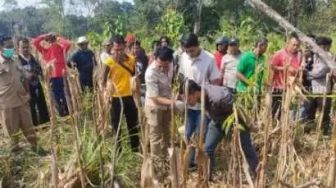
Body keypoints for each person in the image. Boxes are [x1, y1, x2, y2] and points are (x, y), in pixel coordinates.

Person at [184, 80, 259, 180]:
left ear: (194, 93)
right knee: (207, 149)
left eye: (188, 98)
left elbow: (238, 109)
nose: (186, 102)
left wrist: (249, 125)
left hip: (235, 121)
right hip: (217, 122)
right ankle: (207, 178)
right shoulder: (201, 94)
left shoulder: (219, 98)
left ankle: (258, 175)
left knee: (246, 148)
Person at [178, 33, 220, 169]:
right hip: (189, 105)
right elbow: (182, 76)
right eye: (187, 50)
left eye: (192, 50)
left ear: (198, 46)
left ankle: (199, 163)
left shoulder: (209, 59)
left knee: (201, 134)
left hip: (203, 106)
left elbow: (215, 82)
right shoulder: (183, 57)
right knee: (188, 133)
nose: (189, 53)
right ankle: (189, 163)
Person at [0, 36, 47, 155]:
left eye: (12, 46)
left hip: (21, 99)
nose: (11, 49)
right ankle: (15, 153)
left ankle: (36, 147)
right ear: (1, 47)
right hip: (7, 103)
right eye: (8, 46)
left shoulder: (16, 59)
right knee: (11, 130)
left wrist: (28, 92)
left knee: (28, 125)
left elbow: (24, 76)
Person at [144, 47, 181, 183]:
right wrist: (174, 103)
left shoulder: (171, 65)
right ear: (155, 58)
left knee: (166, 135)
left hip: (166, 105)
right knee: (156, 139)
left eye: (165, 65)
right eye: (160, 64)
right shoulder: (150, 73)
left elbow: (171, 83)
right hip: (154, 107)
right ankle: (157, 172)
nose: (163, 67)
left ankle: (167, 165)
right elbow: (154, 98)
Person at [102, 35, 140, 152]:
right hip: (115, 98)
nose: (118, 52)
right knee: (116, 126)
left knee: (133, 125)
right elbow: (102, 80)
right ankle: (118, 152)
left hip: (130, 97)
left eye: (121, 49)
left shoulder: (132, 60)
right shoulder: (108, 62)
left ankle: (135, 149)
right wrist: (106, 93)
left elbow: (134, 77)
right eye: (116, 50)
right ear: (112, 49)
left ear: (125, 47)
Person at [32, 32, 71, 117]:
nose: (51, 41)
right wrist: (45, 36)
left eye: (52, 39)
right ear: (47, 40)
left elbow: (68, 44)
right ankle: (61, 113)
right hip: (52, 78)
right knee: (56, 97)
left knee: (66, 95)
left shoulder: (61, 49)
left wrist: (57, 37)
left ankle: (68, 112)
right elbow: (35, 42)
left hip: (62, 77)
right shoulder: (45, 51)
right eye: (50, 39)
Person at [300, 36, 333, 135]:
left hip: (323, 90)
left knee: (324, 113)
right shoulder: (314, 56)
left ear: (324, 47)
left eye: (318, 46)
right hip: (312, 89)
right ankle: (307, 132)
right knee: (309, 112)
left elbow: (320, 72)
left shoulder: (328, 57)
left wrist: (307, 73)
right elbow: (305, 67)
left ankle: (324, 134)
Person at [18, 38, 50, 126]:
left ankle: (45, 123)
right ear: (18, 48)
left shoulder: (32, 57)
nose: (25, 49)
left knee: (41, 103)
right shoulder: (17, 60)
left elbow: (39, 69)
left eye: (27, 47)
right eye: (23, 47)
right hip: (25, 88)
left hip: (36, 84)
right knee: (30, 107)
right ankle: (34, 125)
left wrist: (37, 73)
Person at [270, 33, 301, 119]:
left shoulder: (298, 55)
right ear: (288, 44)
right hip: (278, 86)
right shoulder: (279, 53)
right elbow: (272, 67)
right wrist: (285, 68)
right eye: (293, 45)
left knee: (285, 108)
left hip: (291, 86)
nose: (295, 47)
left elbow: (298, 68)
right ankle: (272, 124)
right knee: (275, 107)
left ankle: (281, 126)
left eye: (297, 45)